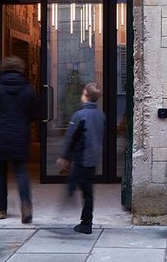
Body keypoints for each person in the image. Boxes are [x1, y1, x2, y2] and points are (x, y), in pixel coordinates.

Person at [0, 55, 40, 223]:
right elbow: (35, 113)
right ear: (20, 69)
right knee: (21, 171)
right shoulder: (28, 89)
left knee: (0, 173)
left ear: (4, 68)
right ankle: (26, 204)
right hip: (19, 135)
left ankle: (1, 209)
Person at [58, 82, 106, 234]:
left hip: (82, 157)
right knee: (88, 192)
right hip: (92, 158)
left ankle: (85, 223)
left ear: (85, 94)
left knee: (80, 188)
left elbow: (72, 138)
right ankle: (84, 219)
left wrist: (65, 157)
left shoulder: (80, 115)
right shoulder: (100, 115)